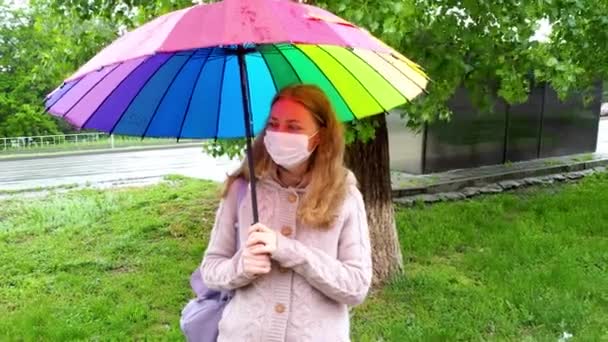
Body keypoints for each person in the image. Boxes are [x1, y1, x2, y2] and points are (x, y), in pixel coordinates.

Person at [200, 84, 372, 342]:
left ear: (320, 136)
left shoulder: (344, 196)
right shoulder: (243, 188)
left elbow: (356, 286)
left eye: (294, 127)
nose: (280, 134)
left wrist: (287, 249)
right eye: (274, 123)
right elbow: (211, 269)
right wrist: (240, 266)